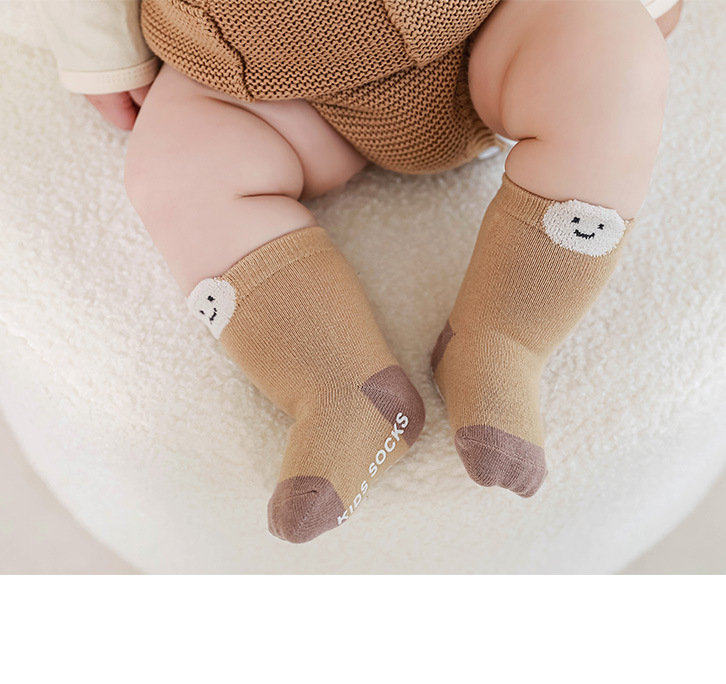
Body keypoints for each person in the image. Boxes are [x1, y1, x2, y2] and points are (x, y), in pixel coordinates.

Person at [35, 0, 683, 543]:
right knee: (175, 170)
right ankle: (342, 389)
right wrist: (101, 52)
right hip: (262, 74)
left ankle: (504, 338)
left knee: (613, 59)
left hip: (483, 28)